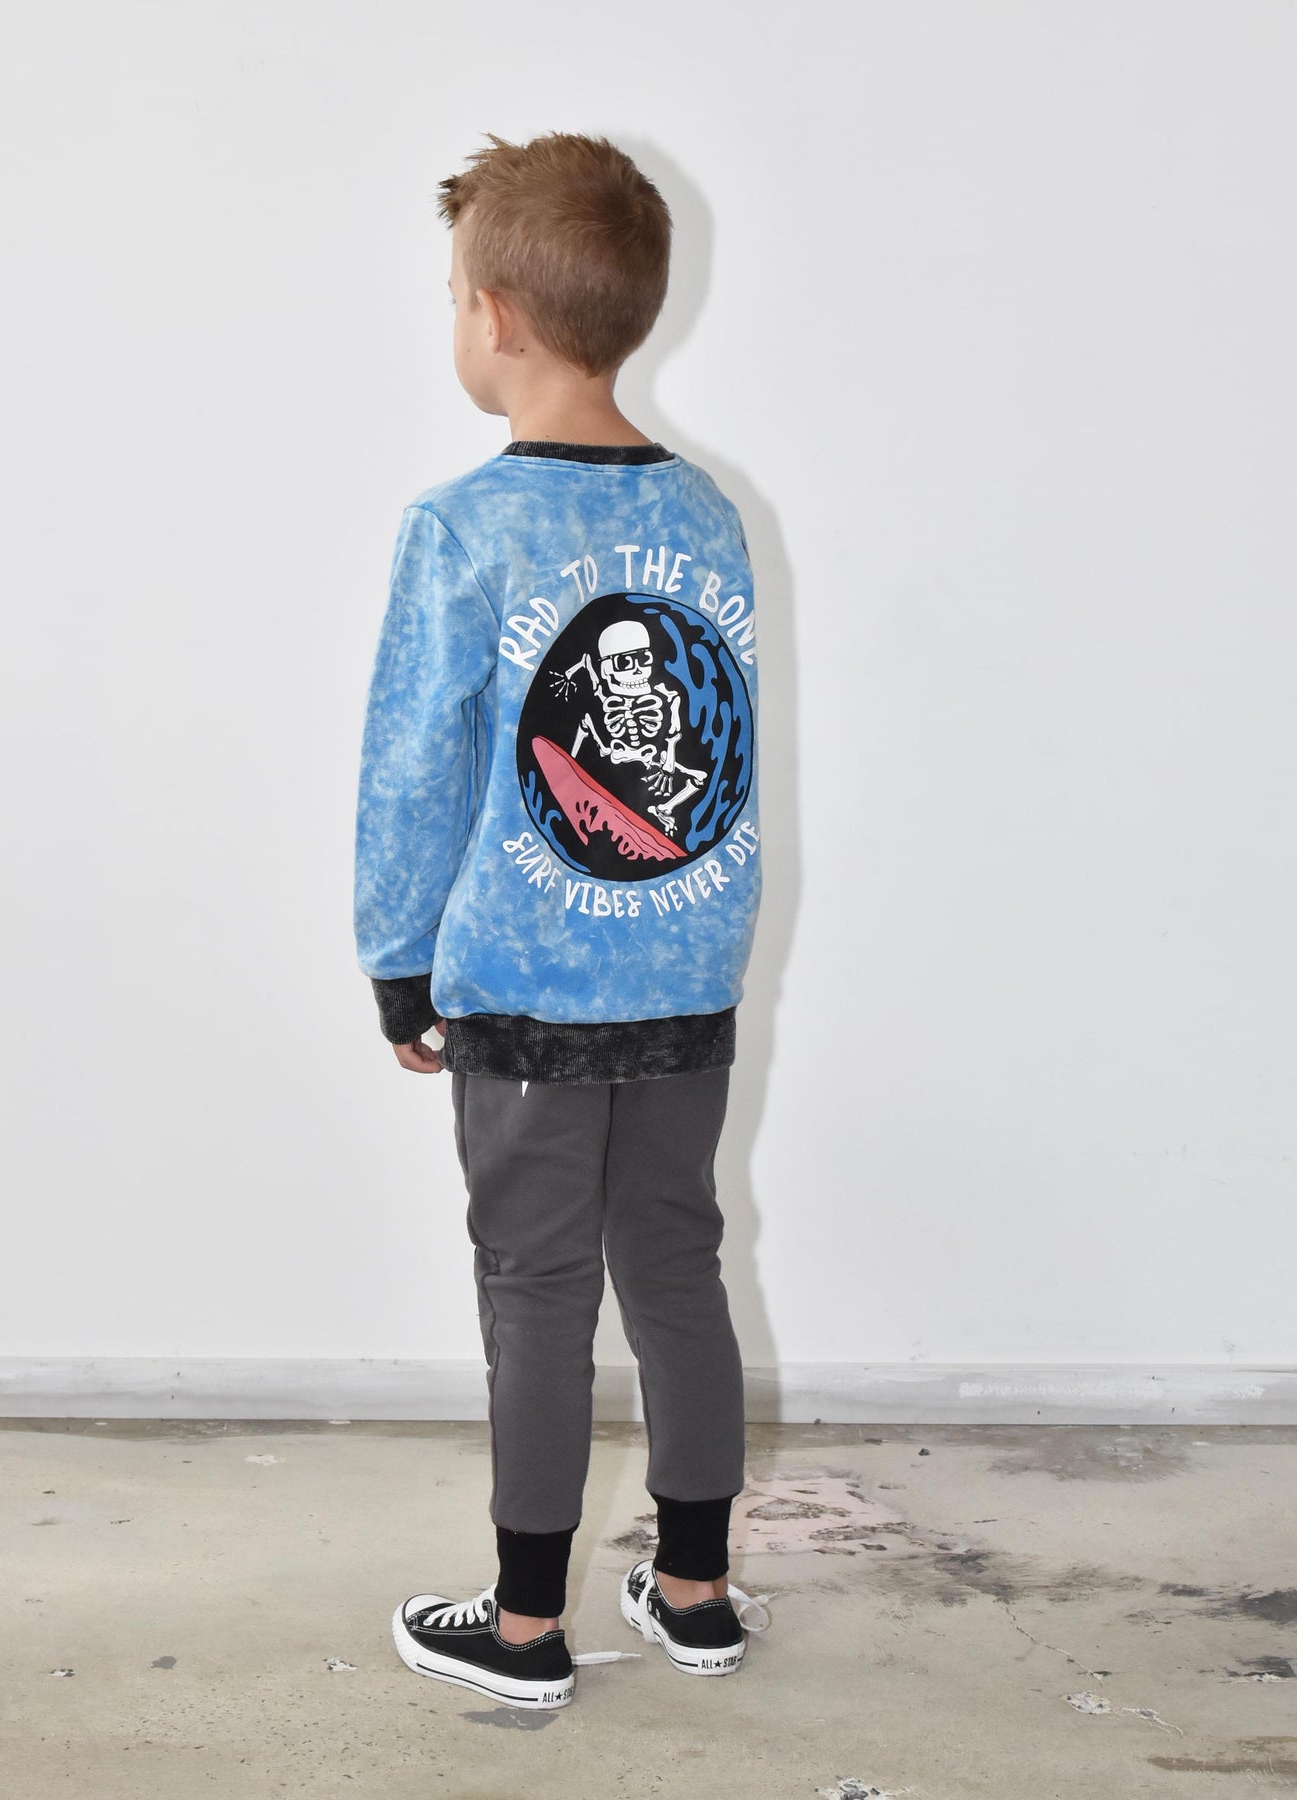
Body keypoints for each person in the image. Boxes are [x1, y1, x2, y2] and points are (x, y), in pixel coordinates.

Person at [354, 130, 768, 1711]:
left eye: (453, 296)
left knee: (535, 1286)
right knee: (678, 1263)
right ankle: (697, 1591)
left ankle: (527, 1627)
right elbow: (719, 746)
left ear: (498, 315)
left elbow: (412, 766)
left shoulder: (463, 526)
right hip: (684, 966)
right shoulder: (709, 514)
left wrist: (398, 963)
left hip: (526, 983)